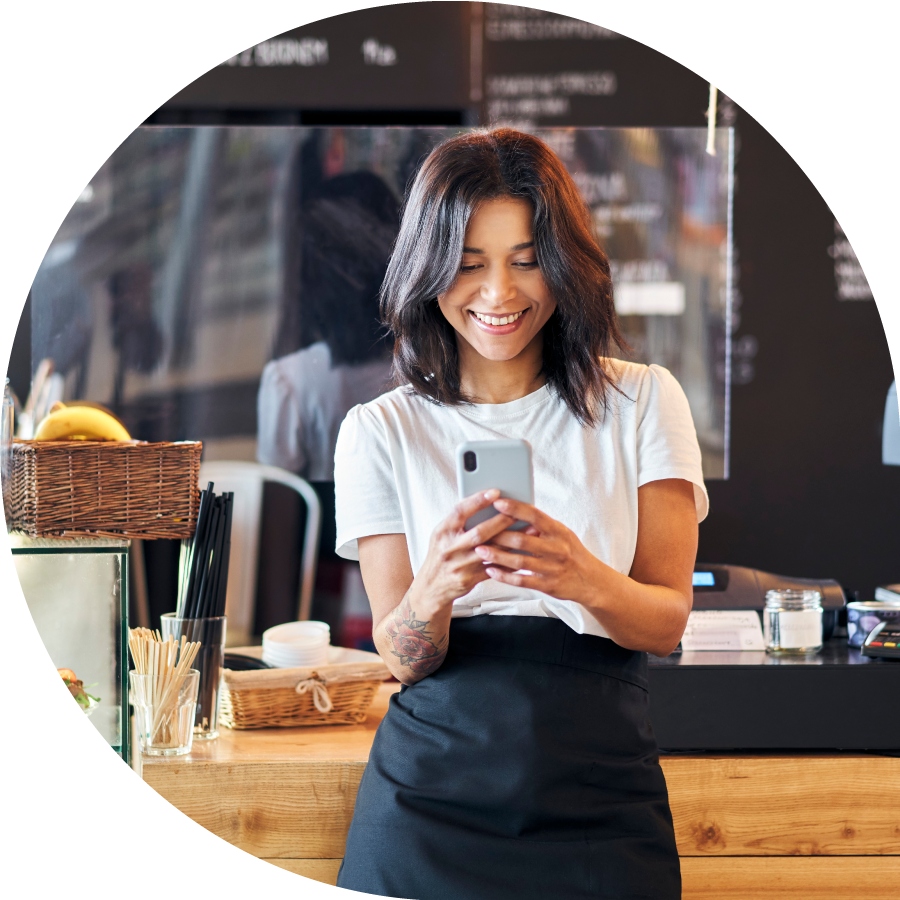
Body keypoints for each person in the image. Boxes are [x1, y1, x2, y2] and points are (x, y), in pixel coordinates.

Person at [332, 128, 708, 899]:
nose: (500, 294)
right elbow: (401, 658)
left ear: (563, 264)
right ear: (427, 270)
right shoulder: (380, 430)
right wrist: (434, 590)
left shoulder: (642, 402)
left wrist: (581, 578)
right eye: (469, 265)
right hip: (429, 798)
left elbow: (667, 622)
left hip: (599, 792)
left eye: (527, 260)